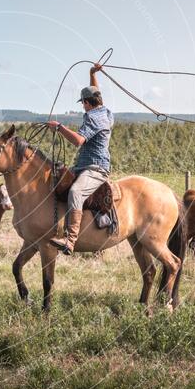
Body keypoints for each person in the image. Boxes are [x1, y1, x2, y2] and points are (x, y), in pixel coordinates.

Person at [46, 63, 114, 254]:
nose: (83, 106)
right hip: (84, 165)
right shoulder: (105, 111)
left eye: (83, 103)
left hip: (95, 168)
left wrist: (59, 127)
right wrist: (92, 74)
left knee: (75, 192)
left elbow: (77, 141)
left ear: (86, 103)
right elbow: (96, 92)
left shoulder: (93, 118)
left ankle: (70, 240)